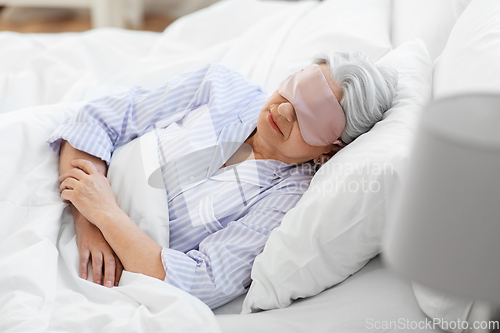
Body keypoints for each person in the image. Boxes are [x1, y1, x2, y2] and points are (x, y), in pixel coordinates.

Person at [49, 51, 397, 309]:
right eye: (294, 88)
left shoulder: (287, 203)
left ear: (331, 150)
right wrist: (88, 219)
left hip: (102, 279)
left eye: (312, 115)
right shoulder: (219, 87)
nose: (284, 110)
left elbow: (200, 282)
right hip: (59, 195)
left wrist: (107, 215)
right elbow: (97, 120)